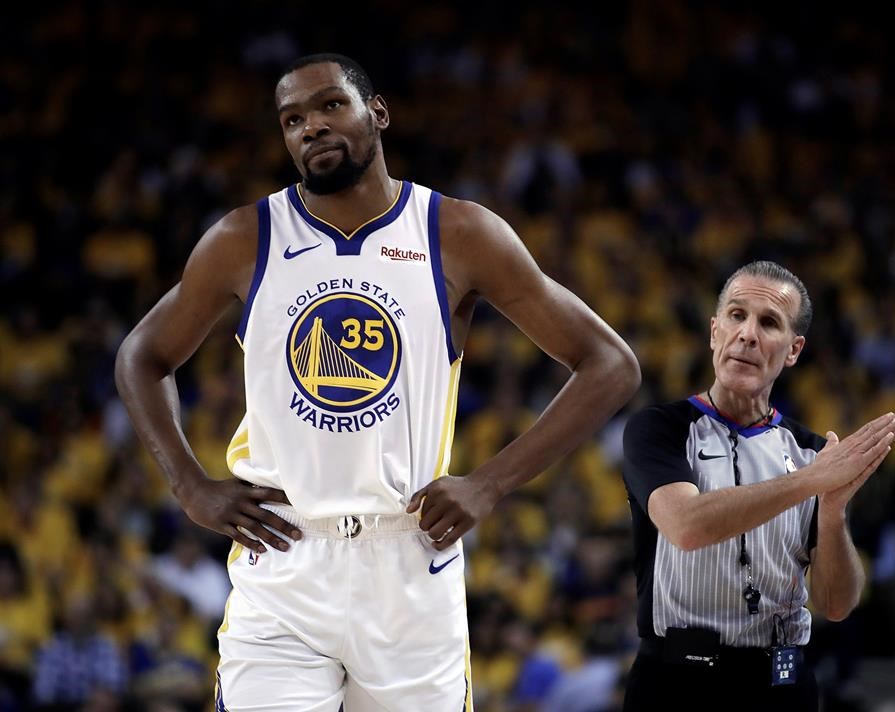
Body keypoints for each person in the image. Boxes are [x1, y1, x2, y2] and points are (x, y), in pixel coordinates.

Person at [115, 53, 640, 712]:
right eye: (293, 119)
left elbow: (610, 364)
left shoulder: (458, 232)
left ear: (378, 113)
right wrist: (188, 485)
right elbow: (141, 354)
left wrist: (489, 482)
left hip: (409, 559)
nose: (311, 127)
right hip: (284, 556)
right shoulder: (243, 238)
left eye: (331, 105)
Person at [619, 261, 895, 711]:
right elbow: (686, 526)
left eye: (769, 322)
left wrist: (831, 511)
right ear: (715, 332)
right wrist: (808, 482)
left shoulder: (812, 452)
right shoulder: (658, 429)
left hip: (780, 687)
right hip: (676, 684)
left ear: (793, 350)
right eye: (736, 315)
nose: (748, 334)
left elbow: (836, 603)